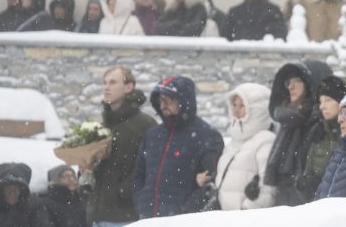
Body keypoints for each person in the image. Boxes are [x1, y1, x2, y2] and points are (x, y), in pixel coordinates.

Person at [133, 76, 223, 218]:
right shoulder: (152, 135)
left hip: (184, 222)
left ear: (184, 101)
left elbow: (211, 181)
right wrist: (141, 203)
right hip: (147, 218)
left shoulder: (207, 136)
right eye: (160, 100)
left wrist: (186, 210)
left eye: (168, 100)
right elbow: (138, 175)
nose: (163, 105)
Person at [87, 66, 156, 227]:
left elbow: (152, 166)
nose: (106, 87)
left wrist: (126, 190)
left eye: (112, 82)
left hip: (127, 215)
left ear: (128, 87)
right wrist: (86, 168)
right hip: (99, 214)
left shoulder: (145, 124)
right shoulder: (101, 125)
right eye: (104, 83)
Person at [264, 60, 333, 206]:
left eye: (298, 81)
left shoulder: (321, 124)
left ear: (311, 84)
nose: (291, 86)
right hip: (284, 197)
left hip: (308, 201)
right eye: (288, 82)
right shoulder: (288, 121)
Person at [213, 83, 277, 211]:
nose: (236, 110)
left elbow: (269, 187)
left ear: (257, 109)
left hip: (248, 219)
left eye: (242, 106)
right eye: (234, 105)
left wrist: (247, 210)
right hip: (226, 218)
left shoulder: (265, 141)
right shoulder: (232, 143)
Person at [295, 76, 346, 203]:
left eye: (328, 100)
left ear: (342, 102)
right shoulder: (318, 133)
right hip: (317, 207)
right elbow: (306, 173)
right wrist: (305, 187)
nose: (322, 106)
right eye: (320, 101)